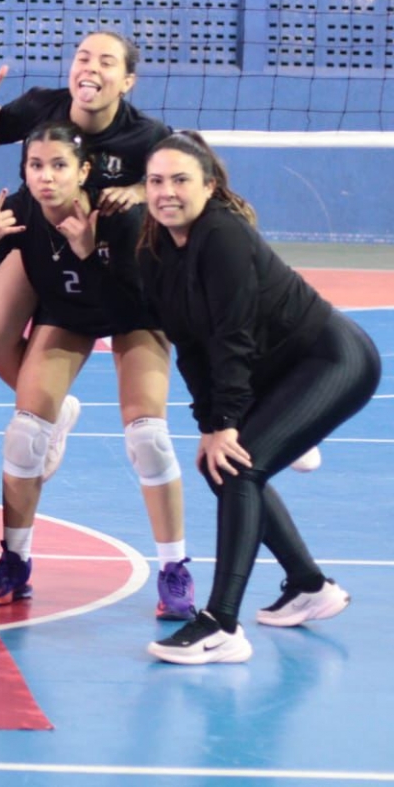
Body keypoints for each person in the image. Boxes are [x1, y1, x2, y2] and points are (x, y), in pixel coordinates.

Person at [88, 133, 377, 664]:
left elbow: (232, 338)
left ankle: (222, 625)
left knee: (240, 468)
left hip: (332, 360)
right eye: (156, 181)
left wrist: (227, 423)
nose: (166, 192)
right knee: (222, 465)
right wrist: (210, 426)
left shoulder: (223, 236)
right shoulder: (155, 250)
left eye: (180, 180)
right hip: (278, 368)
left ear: (209, 186)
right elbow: (190, 345)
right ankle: (309, 585)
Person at [0, 121, 193, 619]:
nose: (47, 176)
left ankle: (174, 570)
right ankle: (15, 561)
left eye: (59, 165)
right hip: (65, 315)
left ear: (84, 171)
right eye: (36, 166)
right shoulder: (18, 213)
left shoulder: (119, 217)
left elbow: (127, 309)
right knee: (24, 435)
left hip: (134, 315)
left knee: (148, 437)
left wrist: (88, 254)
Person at [0, 31, 169, 476]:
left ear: (127, 81)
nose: (90, 67)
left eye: (106, 61)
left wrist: (137, 190)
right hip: (43, 234)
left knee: (147, 431)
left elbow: (178, 181)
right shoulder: (43, 105)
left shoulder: (146, 136)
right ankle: (52, 413)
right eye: (83, 57)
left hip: (108, 254)